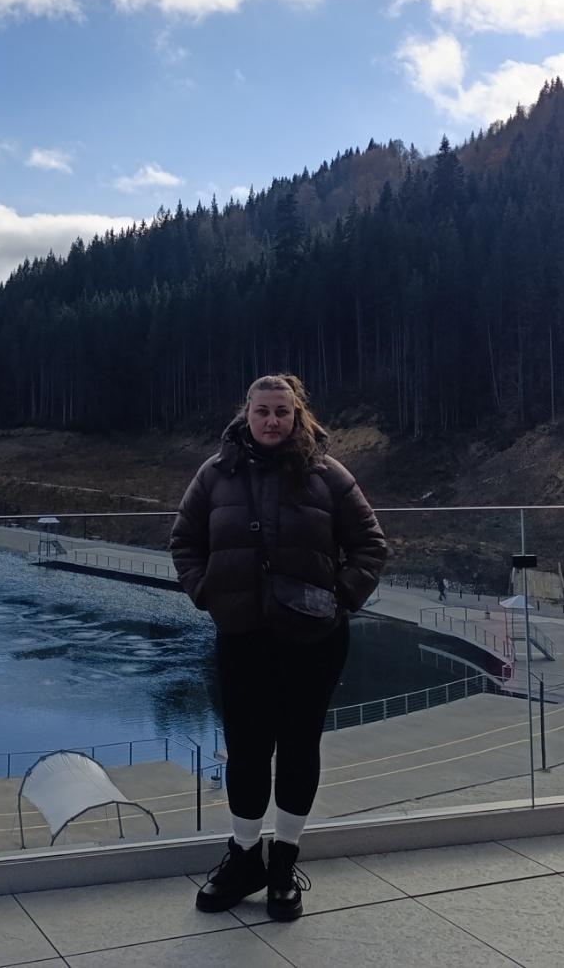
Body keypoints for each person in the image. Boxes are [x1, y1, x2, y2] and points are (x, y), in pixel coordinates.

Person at [170, 374, 387, 922]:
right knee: (245, 751)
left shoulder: (329, 475)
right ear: (245, 413)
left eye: (281, 412)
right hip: (242, 636)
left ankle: (284, 863)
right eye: (262, 411)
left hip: (315, 638)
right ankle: (245, 859)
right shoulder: (214, 474)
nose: (271, 421)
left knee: (297, 747)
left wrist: (340, 598)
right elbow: (184, 541)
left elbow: (370, 545)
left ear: (297, 415)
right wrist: (206, 592)